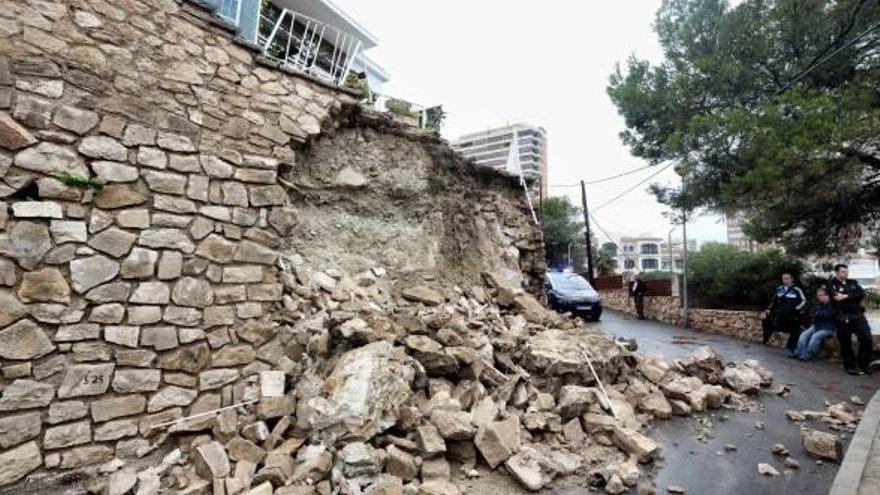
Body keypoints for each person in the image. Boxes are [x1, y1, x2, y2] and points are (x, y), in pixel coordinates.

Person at [827, 264, 874, 375]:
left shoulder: (853, 282)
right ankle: (850, 366)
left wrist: (846, 296)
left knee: (867, 338)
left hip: (857, 315)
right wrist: (851, 296)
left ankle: (863, 364)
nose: (846, 274)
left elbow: (861, 294)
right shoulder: (831, 284)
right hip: (843, 316)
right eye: (843, 271)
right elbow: (836, 298)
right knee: (846, 342)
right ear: (837, 272)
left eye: (847, 272)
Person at [761, 272, 806, 354]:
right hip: (780, 314)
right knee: (766, 320)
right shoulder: (779, 289)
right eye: (783, 278)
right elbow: (773, 301)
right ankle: (766, 339)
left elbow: (804, 301)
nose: (785, 280)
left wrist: (796, 309)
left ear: (791, 279)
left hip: (792, 315)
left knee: (796, 328)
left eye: (787, 278)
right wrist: (768, 309)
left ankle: (790, 348)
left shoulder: (797, 290)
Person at [794, 287, 837, 360]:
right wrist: (817, 314)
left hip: (828, 328)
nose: (819, 297)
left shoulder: (833, 305)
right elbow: (813, 312)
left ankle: (808, 354)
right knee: (804, 335)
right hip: (816, 325)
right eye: (818, 295)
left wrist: (818, 314)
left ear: (826, 295)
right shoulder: (819, 304)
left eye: (820, 295)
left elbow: (827, 315)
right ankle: (799, 352)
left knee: (815, 336)